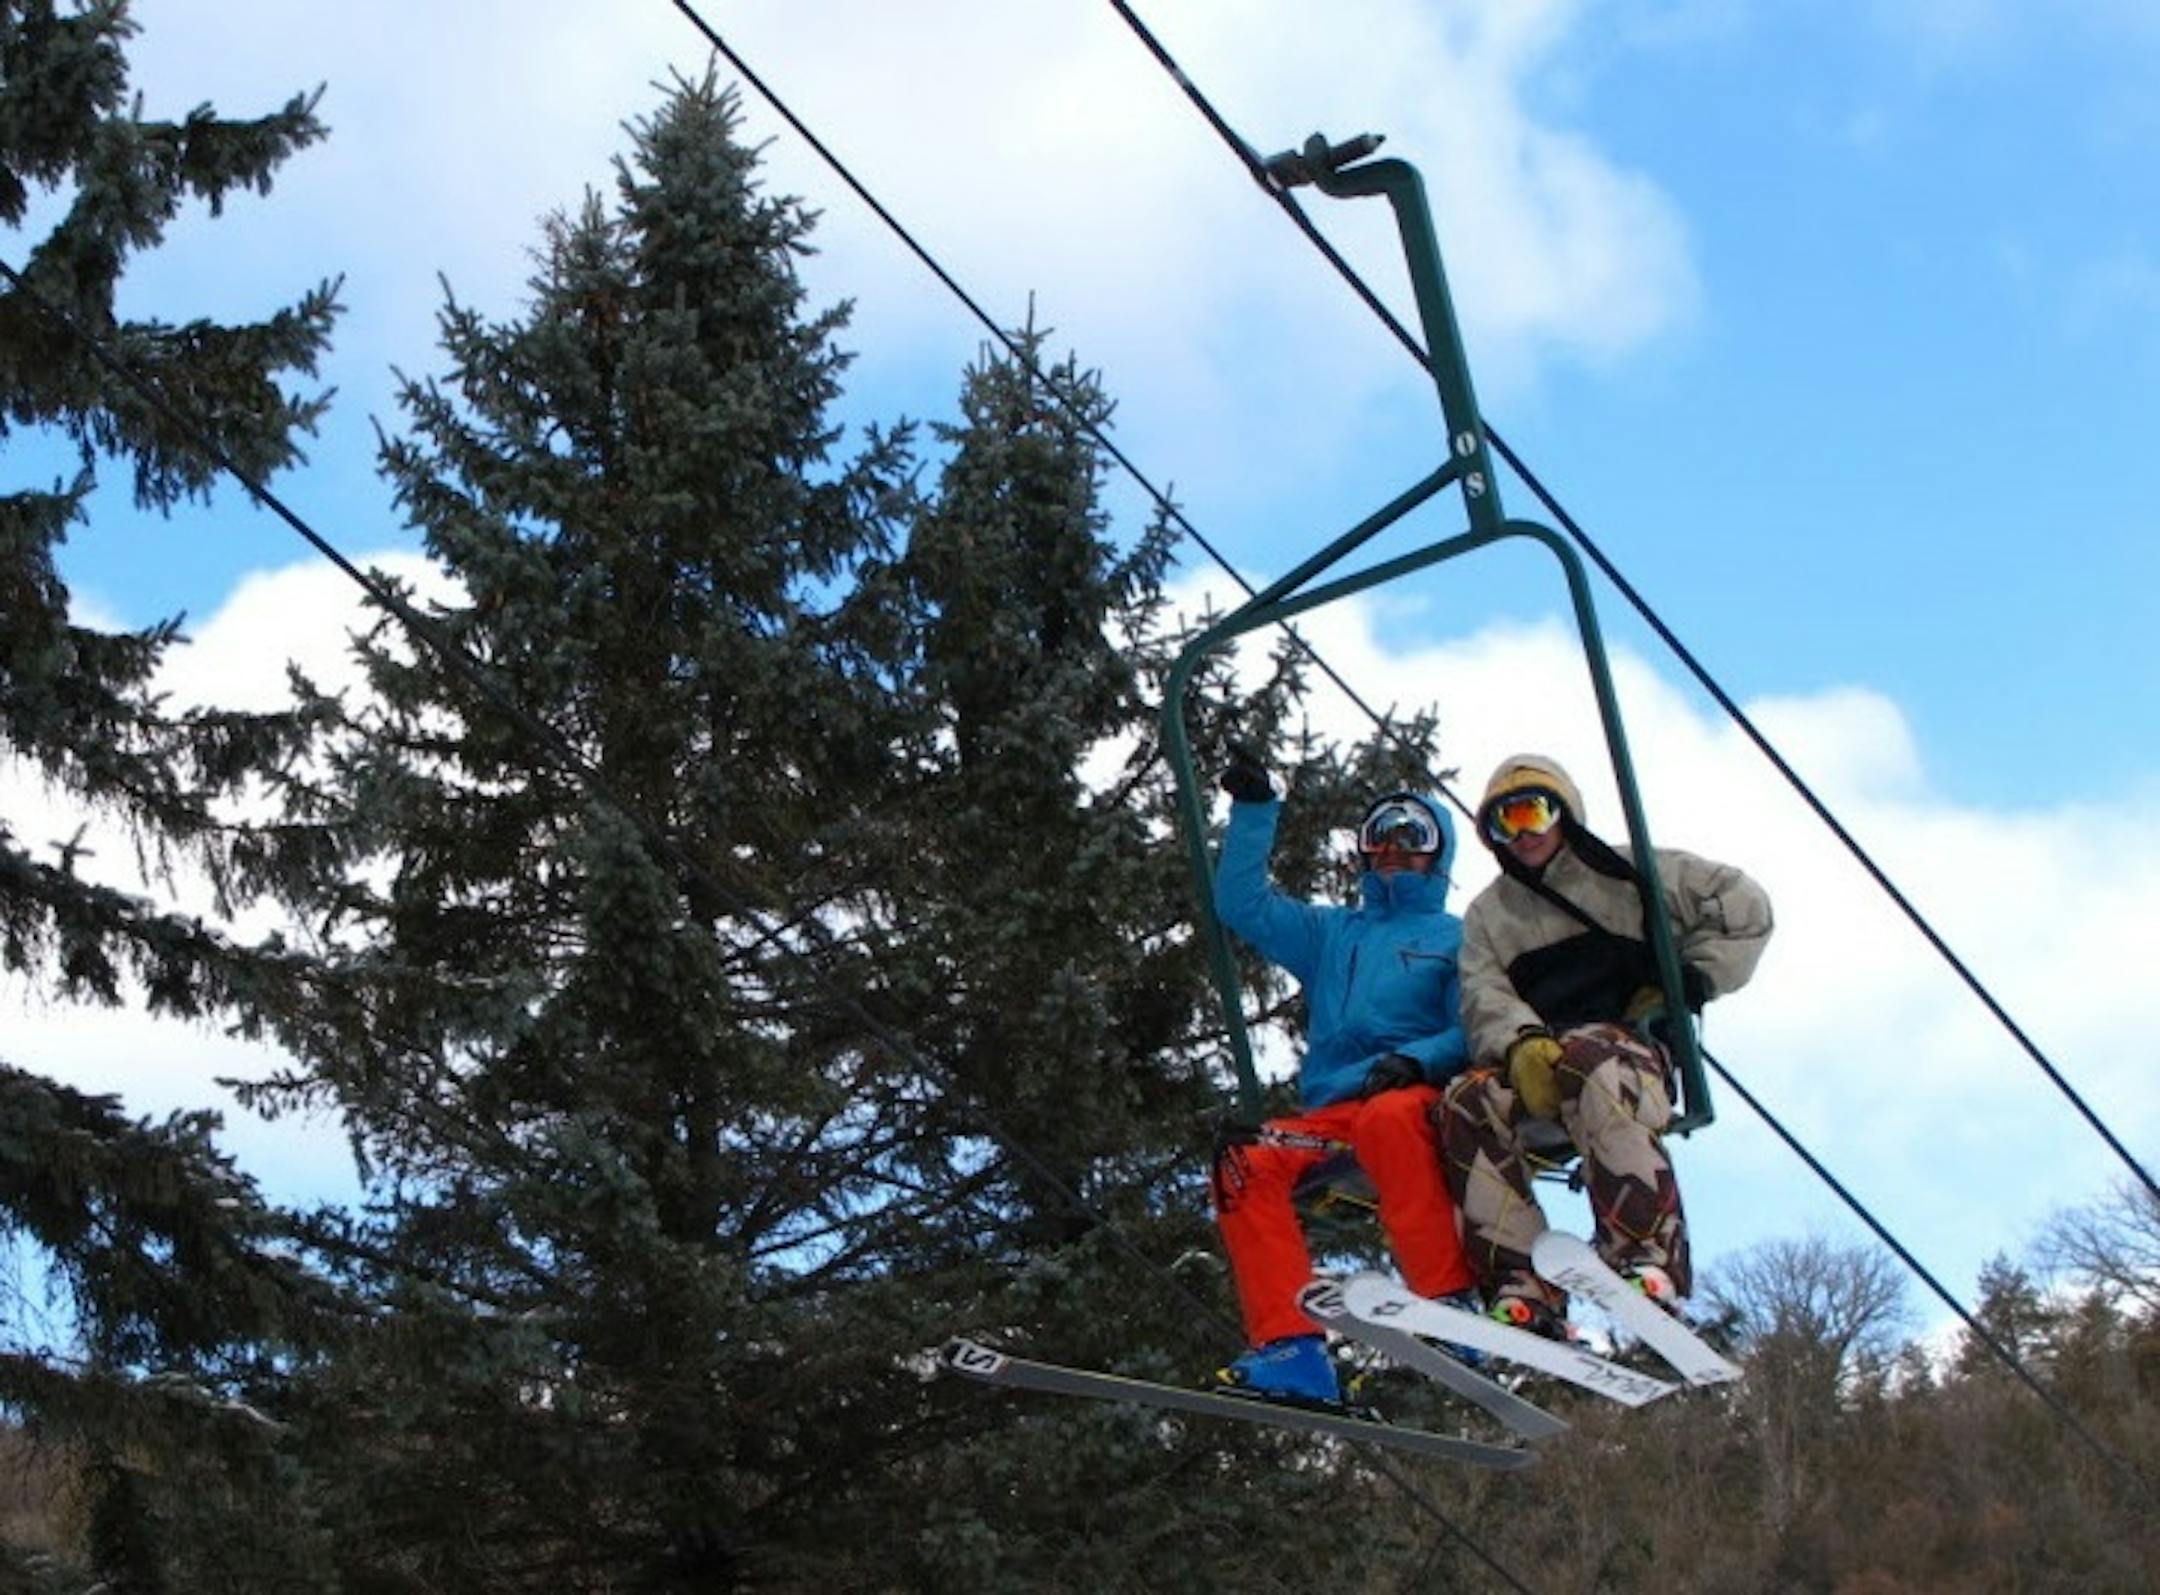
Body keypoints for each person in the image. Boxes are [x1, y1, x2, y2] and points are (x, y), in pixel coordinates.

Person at [1439, 753, 1773, 1338]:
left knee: (1593, 1058)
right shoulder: (1491, 915)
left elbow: (1745, 909)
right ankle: (1520, 1282)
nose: (1523, 835)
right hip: (1544, 1061)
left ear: (1563, 813)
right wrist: (1520, 1044)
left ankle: (1645, 1250)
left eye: (1533, 814)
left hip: (1626, 1054)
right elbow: (1483, 993)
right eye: (1504, 824)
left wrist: (1688, 981)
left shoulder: (1632, 874)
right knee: (1465, 1099)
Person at [1209, 744, 1477, 1403]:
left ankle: (1447, 1302)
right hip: (1330, 1118)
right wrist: (1254, 811)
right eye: (1377, 838)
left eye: (1410, 838)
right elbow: (1242, 904)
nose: (1390, 852)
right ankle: (1291, 1346)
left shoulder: (1455, 938)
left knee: (1389, 1119)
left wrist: (1417, 1060)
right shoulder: (1333, 933)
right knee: (1245, 1159)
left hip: (1410, 1097)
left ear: (1438, 853)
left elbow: (1473, 1026)